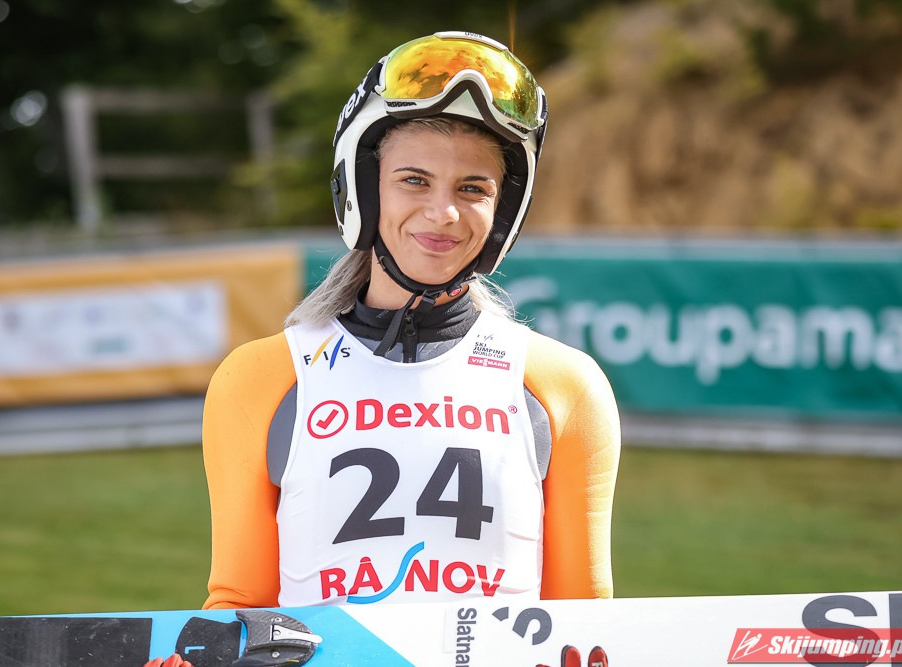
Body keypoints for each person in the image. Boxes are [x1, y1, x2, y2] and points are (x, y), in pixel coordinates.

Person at [201, 31, 621, 609]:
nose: (443, 212)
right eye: (414, 180)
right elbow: (237, 607)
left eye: (472, 188)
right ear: (364, 190)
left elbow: (585, 622)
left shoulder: (564, 385)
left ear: (502, 213)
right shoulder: (260, 378)